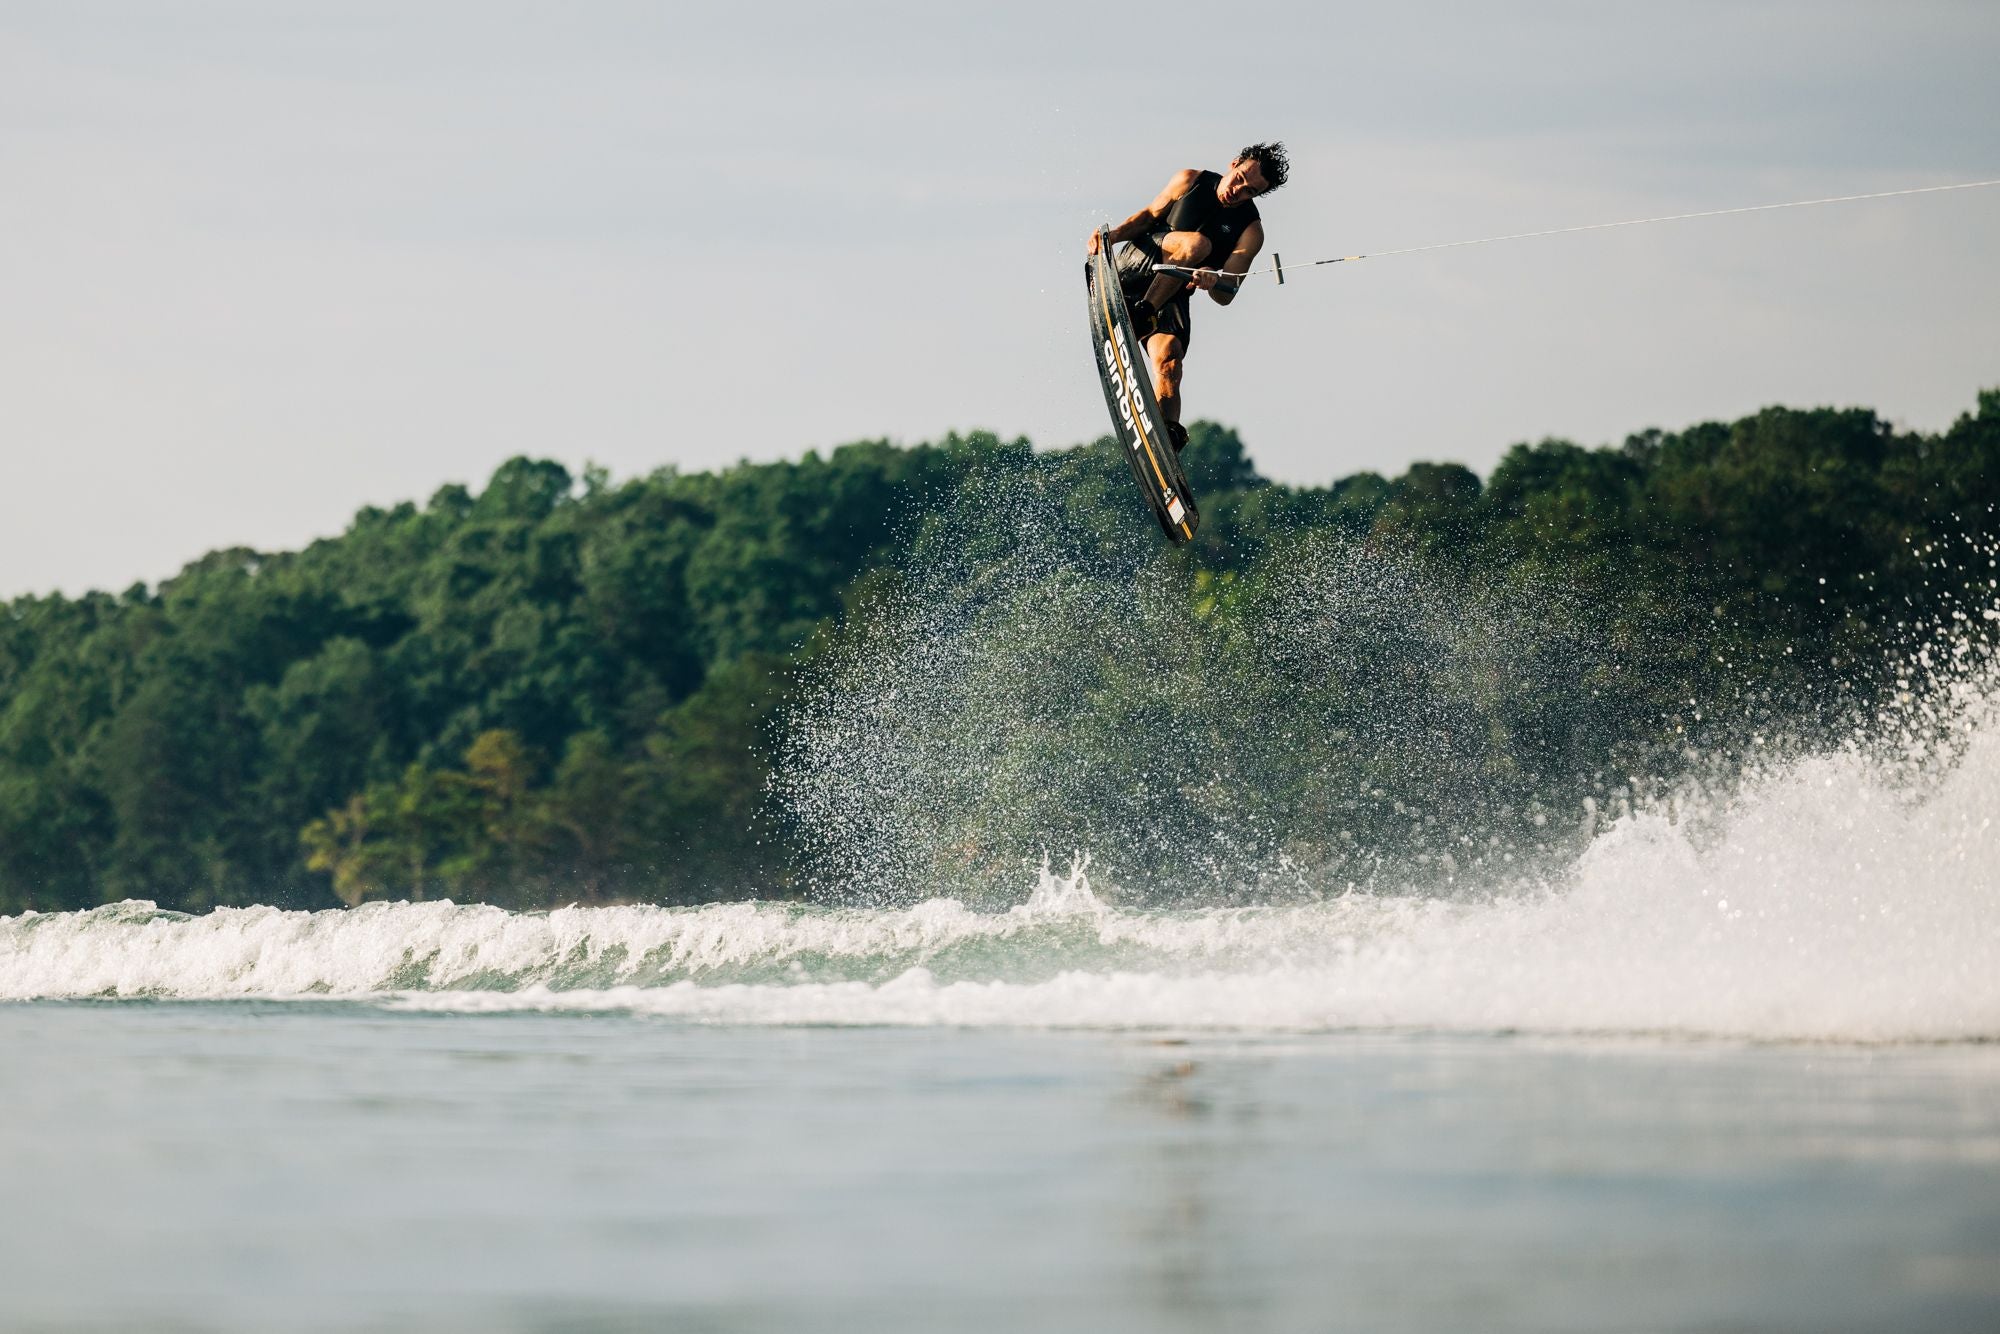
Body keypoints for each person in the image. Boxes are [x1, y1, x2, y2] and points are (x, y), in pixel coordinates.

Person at [1087, 142, 1287, 450]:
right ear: (1234, 164)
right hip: (1138, 264)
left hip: (1171, 290)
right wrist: (1110, 237)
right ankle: (1143, 316)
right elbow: (1148, 216)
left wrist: (1213, 280)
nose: (1239, 190)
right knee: (1198, 246)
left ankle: (1163, 441)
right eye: (1240, 178)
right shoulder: (1190, 179)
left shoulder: (1251, 232)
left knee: (1170, 361)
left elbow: (1227, 293)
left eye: (1250, 191)